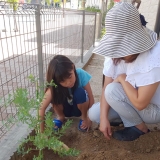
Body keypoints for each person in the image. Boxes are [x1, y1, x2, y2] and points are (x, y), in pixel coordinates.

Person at [93, 2, 160, 141]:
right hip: (132, 100)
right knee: (95, 114)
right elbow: (106, 85)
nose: (119, 54)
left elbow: (141, 103)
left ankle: (139, 127)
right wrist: (103, 118)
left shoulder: (153, 57)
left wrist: (122, 78)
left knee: (113, 91)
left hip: (153, 109)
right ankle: (127, 116)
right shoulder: (115, 56)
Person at [39, 55, 94, 132]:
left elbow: (91, 97)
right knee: (54, 94)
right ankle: (61, 117)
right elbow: (41, 108)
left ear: (73, 66)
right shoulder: (54, 85)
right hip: (65, 110)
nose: (68, 82)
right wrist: (42, 133)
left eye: (70, 76)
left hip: (78, 109)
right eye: (62, 81)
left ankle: (84, 117)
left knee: (80, 92)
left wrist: (89, 118)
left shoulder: (81, 74)